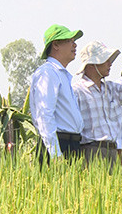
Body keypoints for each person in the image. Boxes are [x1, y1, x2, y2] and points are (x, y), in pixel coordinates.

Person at [29, 24, 84, 165]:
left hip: (71, 144)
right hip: (58, 145)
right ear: (56, 45)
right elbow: (45, 115)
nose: (75, 45)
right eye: (69, 41)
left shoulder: (62, 75)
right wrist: (55, 154)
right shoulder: (48, 73)